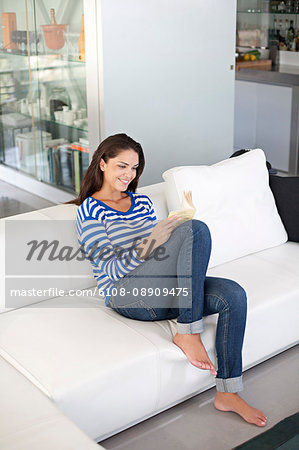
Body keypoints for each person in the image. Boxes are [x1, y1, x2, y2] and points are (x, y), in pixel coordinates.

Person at [71, 133, 267, 427]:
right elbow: (110, 272)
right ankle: (188, 332)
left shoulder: (141, 202)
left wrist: (165, 240)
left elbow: (160, 257)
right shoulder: (89, 211)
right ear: (102, 164)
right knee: (195, 229)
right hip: (124, 294)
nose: (129, 174)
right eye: (121, 166)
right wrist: (150, 243)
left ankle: (227, 392)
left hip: (158, 287)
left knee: (233, 294)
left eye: (134, 168)